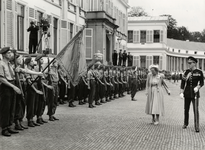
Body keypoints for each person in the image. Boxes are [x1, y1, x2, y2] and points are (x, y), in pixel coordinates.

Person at [0, 47, 21, 136]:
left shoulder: (9, 64)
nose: (10, 54)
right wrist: (14, 87)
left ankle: (9, 126)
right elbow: (1, 78)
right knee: (6, 108)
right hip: (5, 87)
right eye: (8, 53)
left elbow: (13, 75)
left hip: (11, 86)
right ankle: (4, 128)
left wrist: (17, 71)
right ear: (4, 54)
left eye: (10, 53)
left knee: (12, 107)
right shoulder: (1, 64)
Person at [180, 56, 204, 133]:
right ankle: (185, 123)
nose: (189, 64)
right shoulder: (186, 72)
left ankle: (196, 126)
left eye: (190, 63)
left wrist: (198, 87)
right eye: (188, 63)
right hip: (187, 92)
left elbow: (202, 83)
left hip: (195, 92)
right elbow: (183, 82)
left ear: (194, 63)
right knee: (186, 109)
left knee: (195, 110)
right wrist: (181, 92)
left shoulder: (199, 72)